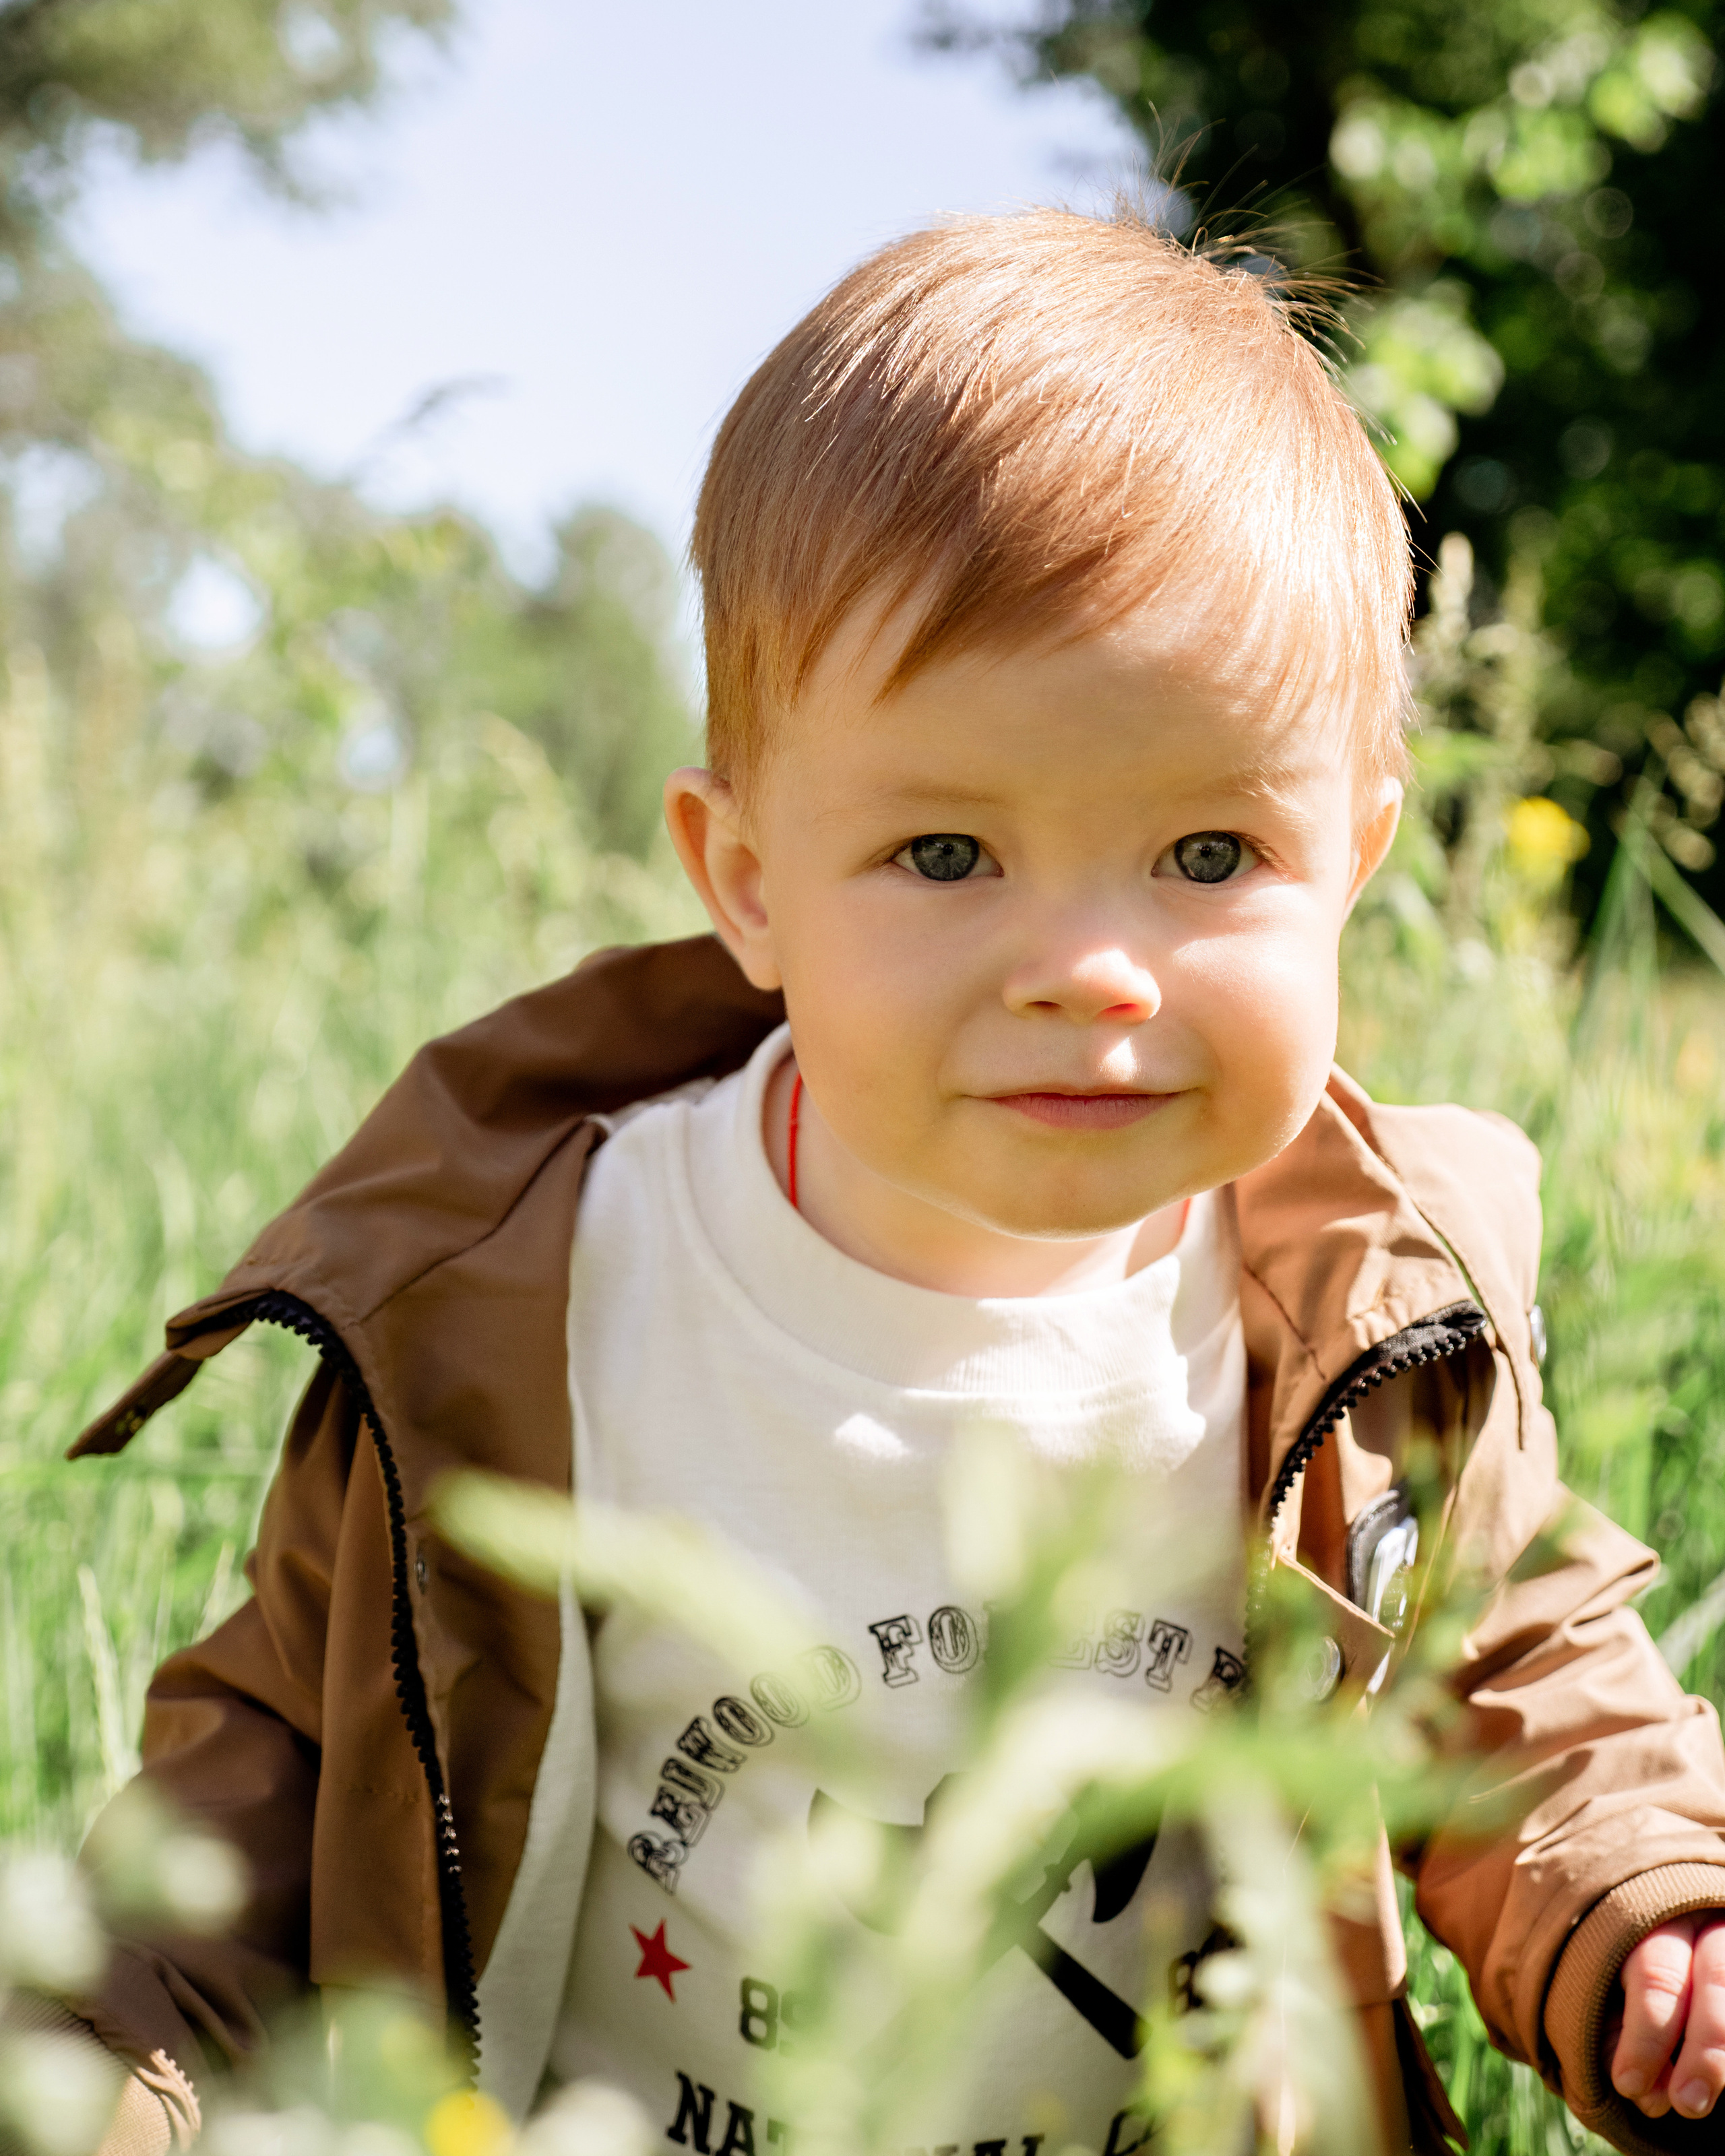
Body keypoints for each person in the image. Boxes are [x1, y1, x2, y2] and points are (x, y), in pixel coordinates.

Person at [56, 208, 1725, 2155]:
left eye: (1206, 858)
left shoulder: (1363, 1324)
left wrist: (1658, 1920)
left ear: (1356, 856)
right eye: (946, 855)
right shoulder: (513, 1310)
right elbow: (256, 1802)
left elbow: (1526, 1694)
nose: (1086, 967)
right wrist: (102, 2072)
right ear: (745, 877)